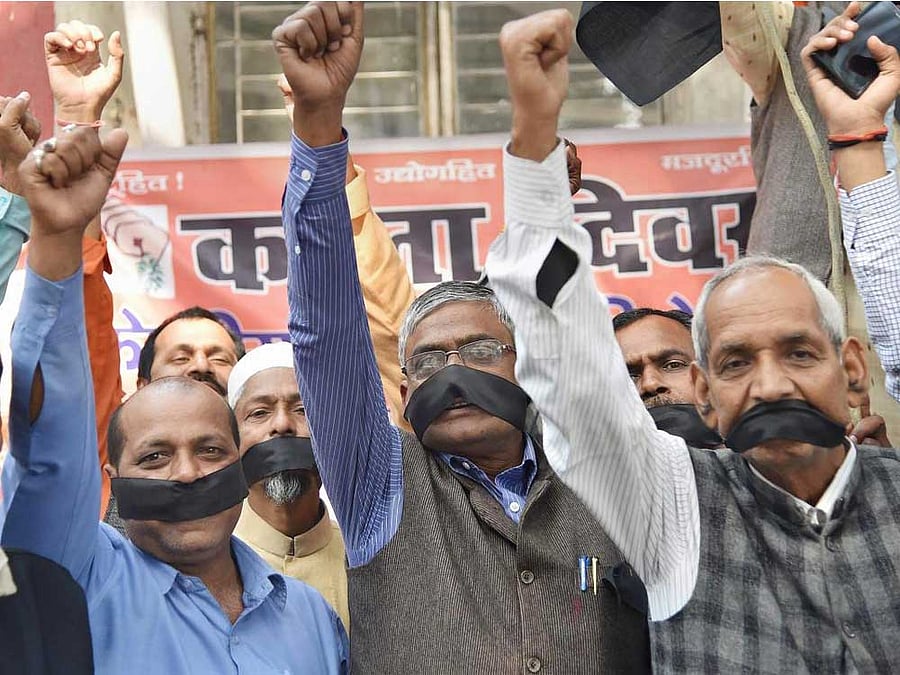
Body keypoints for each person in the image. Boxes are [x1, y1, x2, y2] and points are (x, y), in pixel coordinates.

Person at [485, 8, 900, 672]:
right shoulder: (675, 510)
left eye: (799, 352)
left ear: (853, 368)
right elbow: (571, 373)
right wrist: (535, 135)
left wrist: (855, 139)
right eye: (736, 361)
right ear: (704, 387)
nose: (769, 384)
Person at [275, 3, 649, 672]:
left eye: (478, 352)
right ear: (401, 387)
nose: (453, 371)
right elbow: (326, 334)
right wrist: (318, 124)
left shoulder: (603, 476)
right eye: (429, 360)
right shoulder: (379, 484)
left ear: (527, 365)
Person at [2, 124, 348, 673]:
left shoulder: (309, 617)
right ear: (113, 476)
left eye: (211, 450)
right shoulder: (80, 573)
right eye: (155, 456)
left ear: (242, 461)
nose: (187, 475)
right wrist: (57, 240)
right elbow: (49, 450)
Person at [229, 342, 349, 631]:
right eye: (259, 413)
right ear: (231, 438)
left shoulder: (366, 561)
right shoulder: (208, 557)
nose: (282, 425)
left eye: (302, 409)